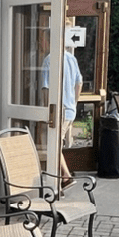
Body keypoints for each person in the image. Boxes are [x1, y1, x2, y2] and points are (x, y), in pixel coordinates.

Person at [39, 28, 83, 184]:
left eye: (43, 40)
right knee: (56, 145)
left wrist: (46, 112)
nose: (41, 43)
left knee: (53, 146)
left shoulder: (49, 60)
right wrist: (74, 103)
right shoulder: (71, 58)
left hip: (57, 112)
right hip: (69, 111)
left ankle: (65, 177)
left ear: (50, 41)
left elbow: (46, 89)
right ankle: (63, 179)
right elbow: (79, 83)